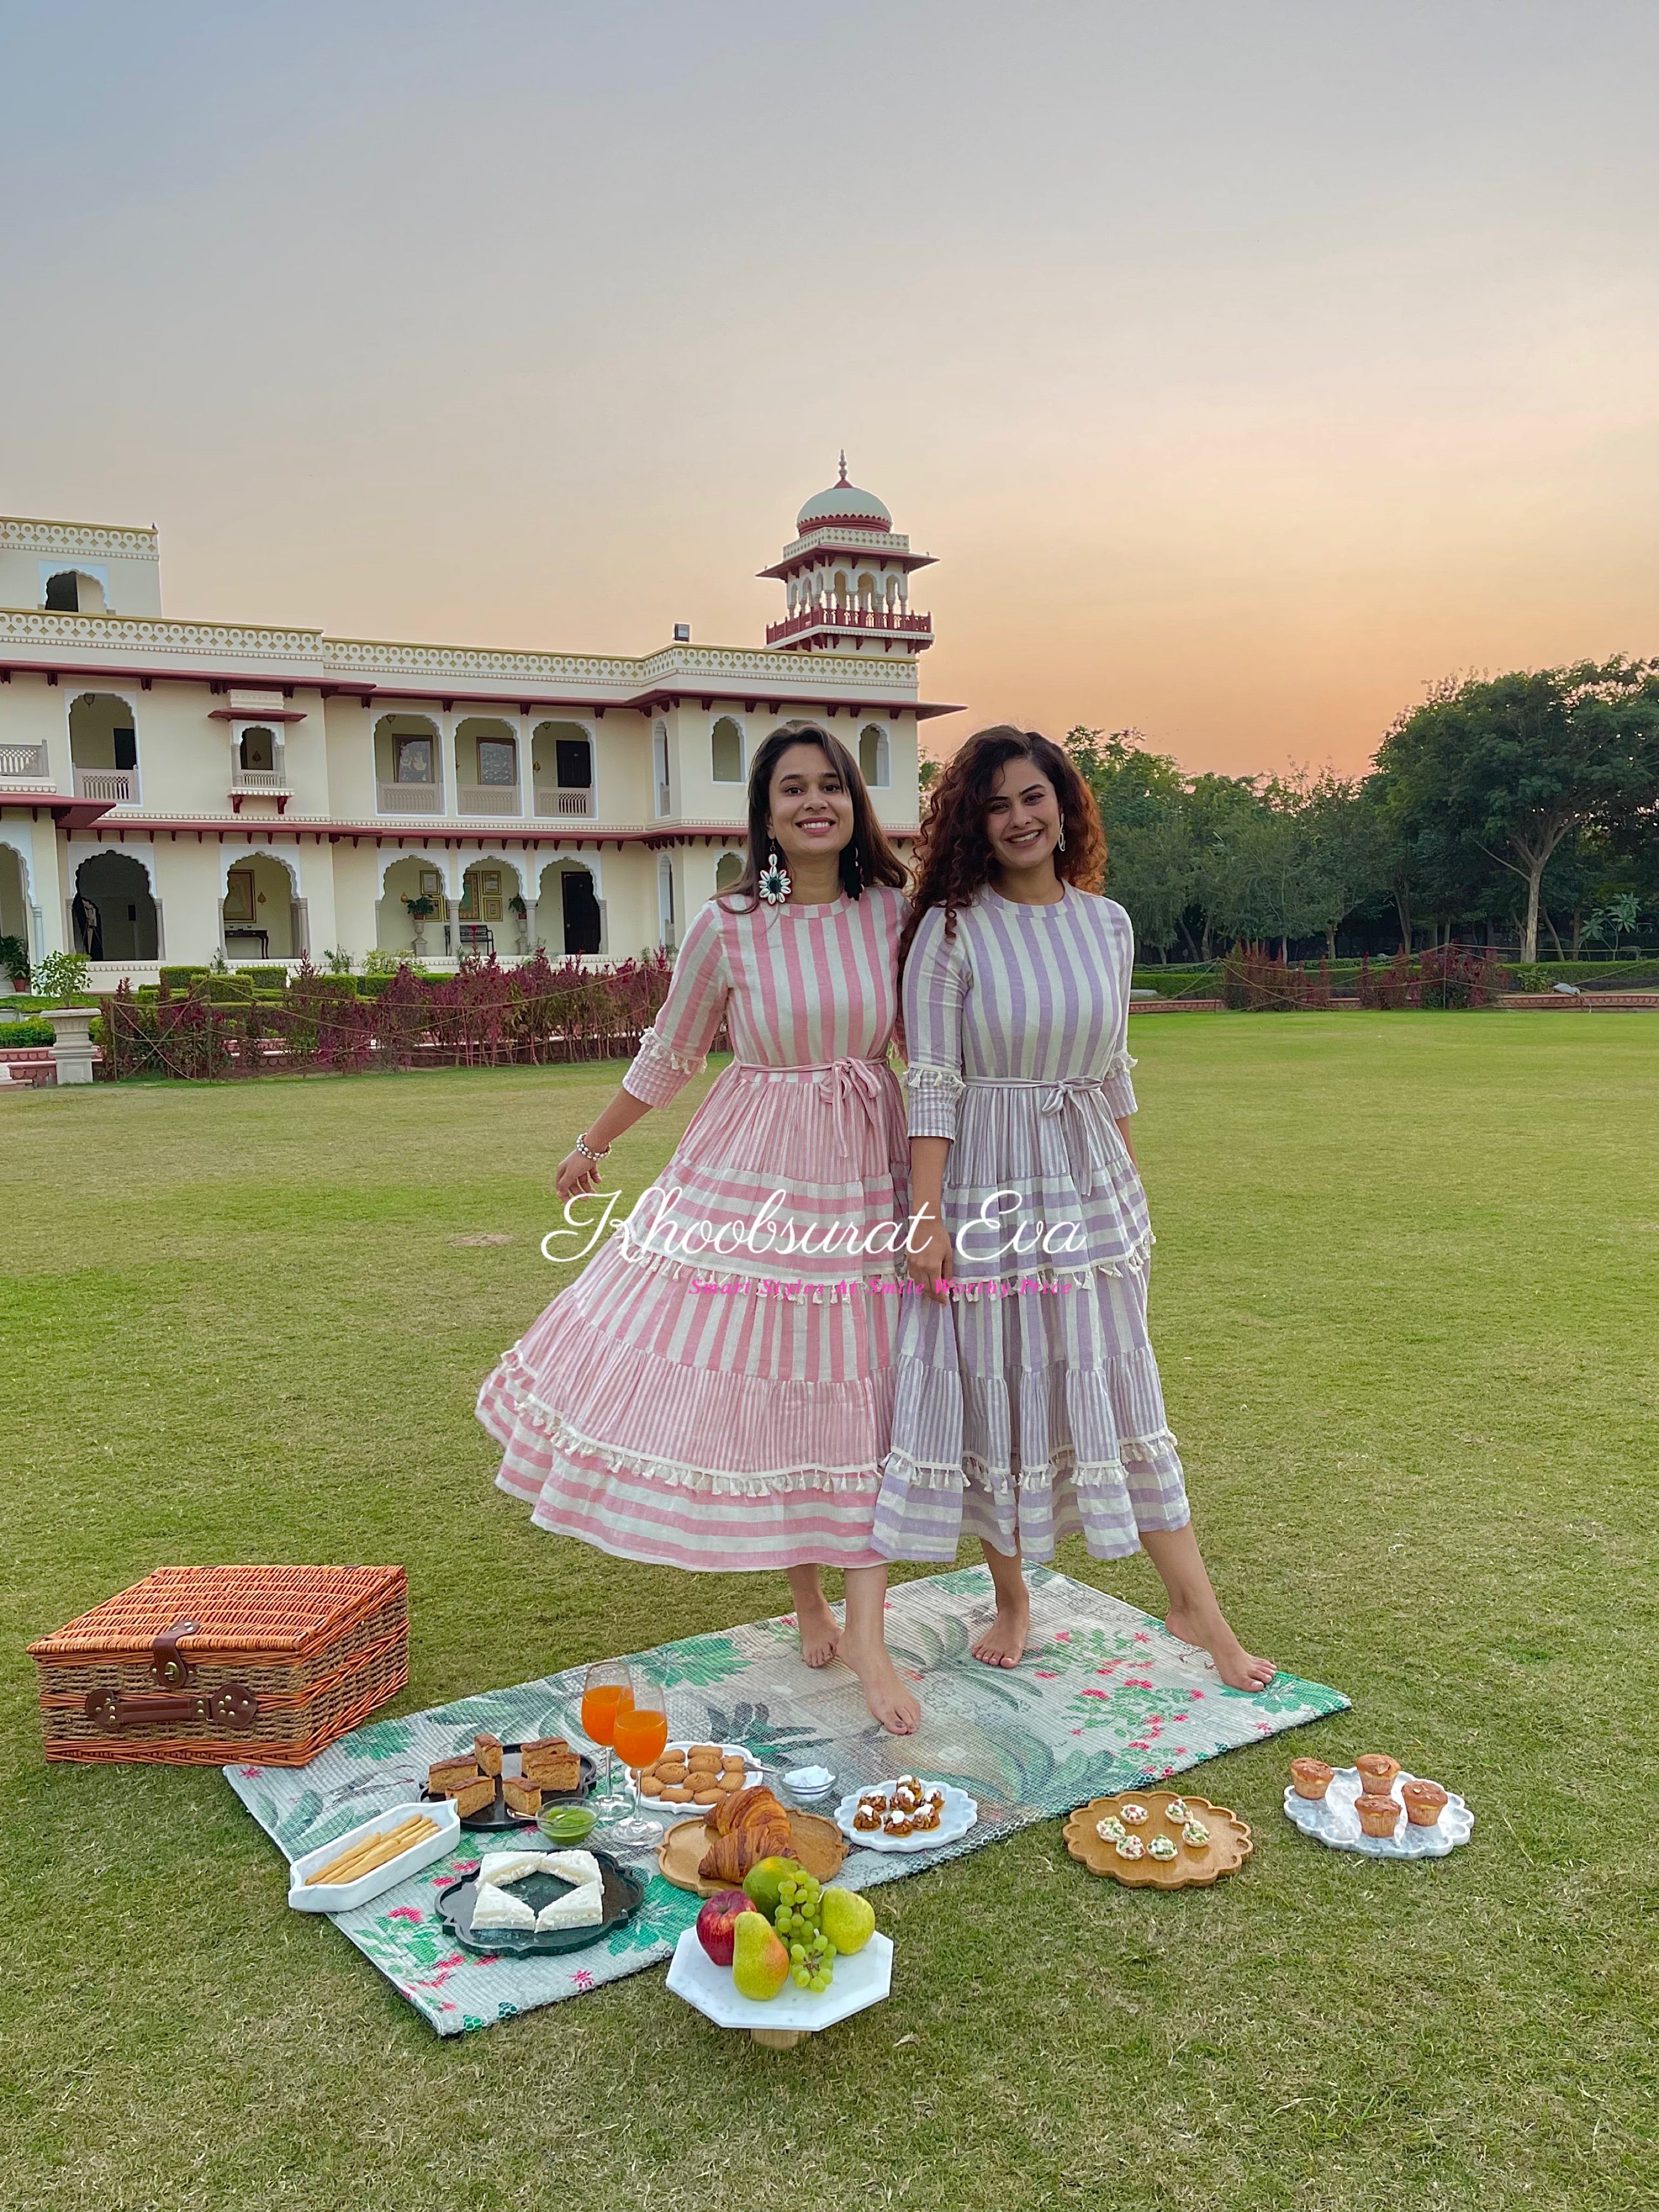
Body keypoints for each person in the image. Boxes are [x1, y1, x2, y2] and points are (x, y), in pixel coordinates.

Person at [478, 722, 922, 1732]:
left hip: (867, 1166)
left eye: (831, 788)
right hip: (755, 1168)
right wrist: (592, 1143)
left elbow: (927, 1042)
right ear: (764, 818)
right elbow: (674, 1051)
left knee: (862, 1382)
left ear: (855, 804)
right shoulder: (729, 926)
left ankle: (869, 1633)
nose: (815, 804)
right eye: (792, 791)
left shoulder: (893, 914)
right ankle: (809, 1596)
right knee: (774, 1371)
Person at [871, 726, 1274, 1690]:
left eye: (1032, 798)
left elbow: (1113, 1069)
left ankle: (1195, 1608)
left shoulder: (1110, 924)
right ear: (975, 823)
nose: (1018, 818)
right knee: (997, 1386)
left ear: (1064, 806)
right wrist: (926, 1218)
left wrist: (1130, 1195)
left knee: (1119, 1381)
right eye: (996, 804)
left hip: (1089, 1179)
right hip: (986, 1183)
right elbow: (932, 1077)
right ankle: (1012, 1597)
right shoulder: (952, 928)